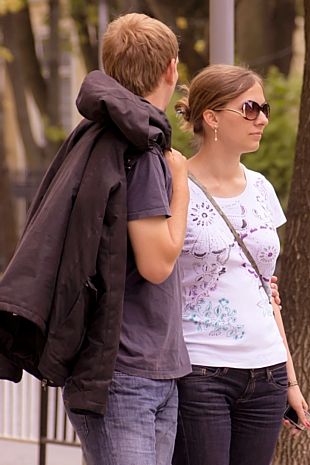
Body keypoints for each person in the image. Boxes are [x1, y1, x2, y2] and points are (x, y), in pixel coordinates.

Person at [0, 13, 190, 465]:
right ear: (171, 69)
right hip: (126, 374)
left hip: (147, 370)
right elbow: (156, 263)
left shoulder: (98, 135)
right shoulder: (140, 151)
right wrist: (180, 181)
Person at [172, 64, 310, 465]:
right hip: (201, 371)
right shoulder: (176, 184)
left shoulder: (263, 189)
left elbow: (266, 292)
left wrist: (291, 381)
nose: (262, 119)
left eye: (263, 108)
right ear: (212, 117)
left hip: (266, 372)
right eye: (250, 108)